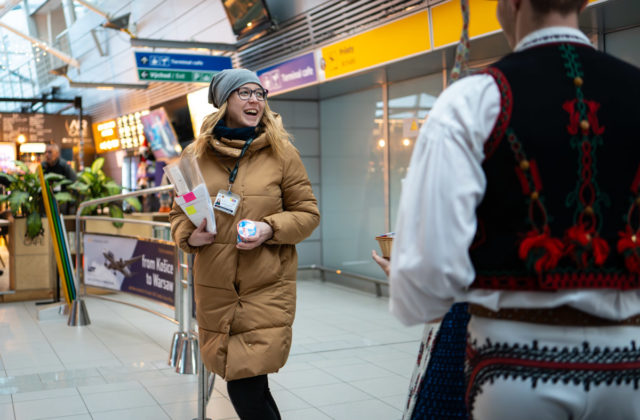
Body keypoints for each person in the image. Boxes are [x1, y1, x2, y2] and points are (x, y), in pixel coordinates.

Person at [389, 0, 640, 419]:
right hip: (630, 359)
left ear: (511, 3)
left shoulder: (473, 99)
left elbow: (424, 287)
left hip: (514, 366)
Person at [169, 68, 319, 420]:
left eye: (260, 93)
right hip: (216, 289)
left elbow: (308, 214)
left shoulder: (283, 153)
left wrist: (269, 228)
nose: (255, 100)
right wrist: (190, 236)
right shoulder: (196, 154)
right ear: (224, 102)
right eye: (244, 93)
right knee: (250, 383)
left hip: (265, 286)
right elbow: (177, 214)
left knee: (244, 384)